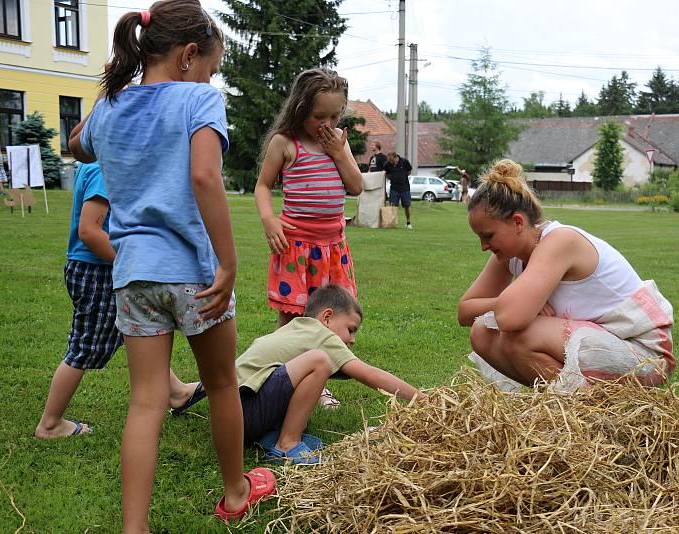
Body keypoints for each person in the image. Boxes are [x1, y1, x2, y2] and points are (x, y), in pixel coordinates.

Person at [69, 2, 274, 529]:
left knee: (145, 403)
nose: (211, 76)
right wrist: (228, 262)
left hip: (133, 273)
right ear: (188, 55)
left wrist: (113, 95)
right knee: (223, 383)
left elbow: (77, 145)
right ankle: (234, 494)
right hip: (193, 274)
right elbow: (206, 179)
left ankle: (133, 528)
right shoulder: (199, 98)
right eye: (210, 65)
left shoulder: (112, 106)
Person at [458, 159, 675, 391]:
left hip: (644, 355)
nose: (483, 246)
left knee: (519, 335)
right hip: (602, 345)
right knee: (482, 332)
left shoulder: (560, 241)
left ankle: (585, 411)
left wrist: (517, 308)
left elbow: (511, 318)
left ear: (518, 222)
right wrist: (516, 305)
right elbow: (465, 311)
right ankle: (562, 405)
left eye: (489, 236)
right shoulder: (509, 255)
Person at [34, 162, 203, 439]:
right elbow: (89, 230)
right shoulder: (104, 168)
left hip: (99, 268)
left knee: (133, 330)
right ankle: (50, 423)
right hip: (97, 270)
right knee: (86, 346)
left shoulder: (97, 163)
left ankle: (176, 392)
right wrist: (130, 261)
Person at [235, 285, 422, 463]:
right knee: (320, 361)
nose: (353, 340)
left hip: (230, 413)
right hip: (246, 413)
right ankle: (287, 444)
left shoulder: (296, 327)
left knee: (309, 374)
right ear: (327, 318)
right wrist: (422, 398)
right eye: (351, 330)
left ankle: (271, 434)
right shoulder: (322, 334)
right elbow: (368, 374)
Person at [254, 67, 363, 329]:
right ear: (300, 109)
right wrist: (269, 219)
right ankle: (280, 365)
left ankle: (329, 361)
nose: (328, 124)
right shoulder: (285, 143)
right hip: (296, 245)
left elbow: (357, 186)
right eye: (318, 116)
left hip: (333, 246)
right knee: (293, 315)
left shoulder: (339, 141)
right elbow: (263, 186)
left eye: (335, 116)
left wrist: (338, 153)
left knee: (337, 312)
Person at [384, 151, 413, 229]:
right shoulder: (387, 164)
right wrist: (392, 178)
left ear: (396, 157)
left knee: (407, 206)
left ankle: (408, 222)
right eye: (389, 161)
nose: (391, 162)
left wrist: (402, 176)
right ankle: (392, 223)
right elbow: (386, 174)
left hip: (405, 188)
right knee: (393, 206)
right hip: (394, 188)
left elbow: (409, 171)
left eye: (392, 160)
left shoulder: (404, 162)